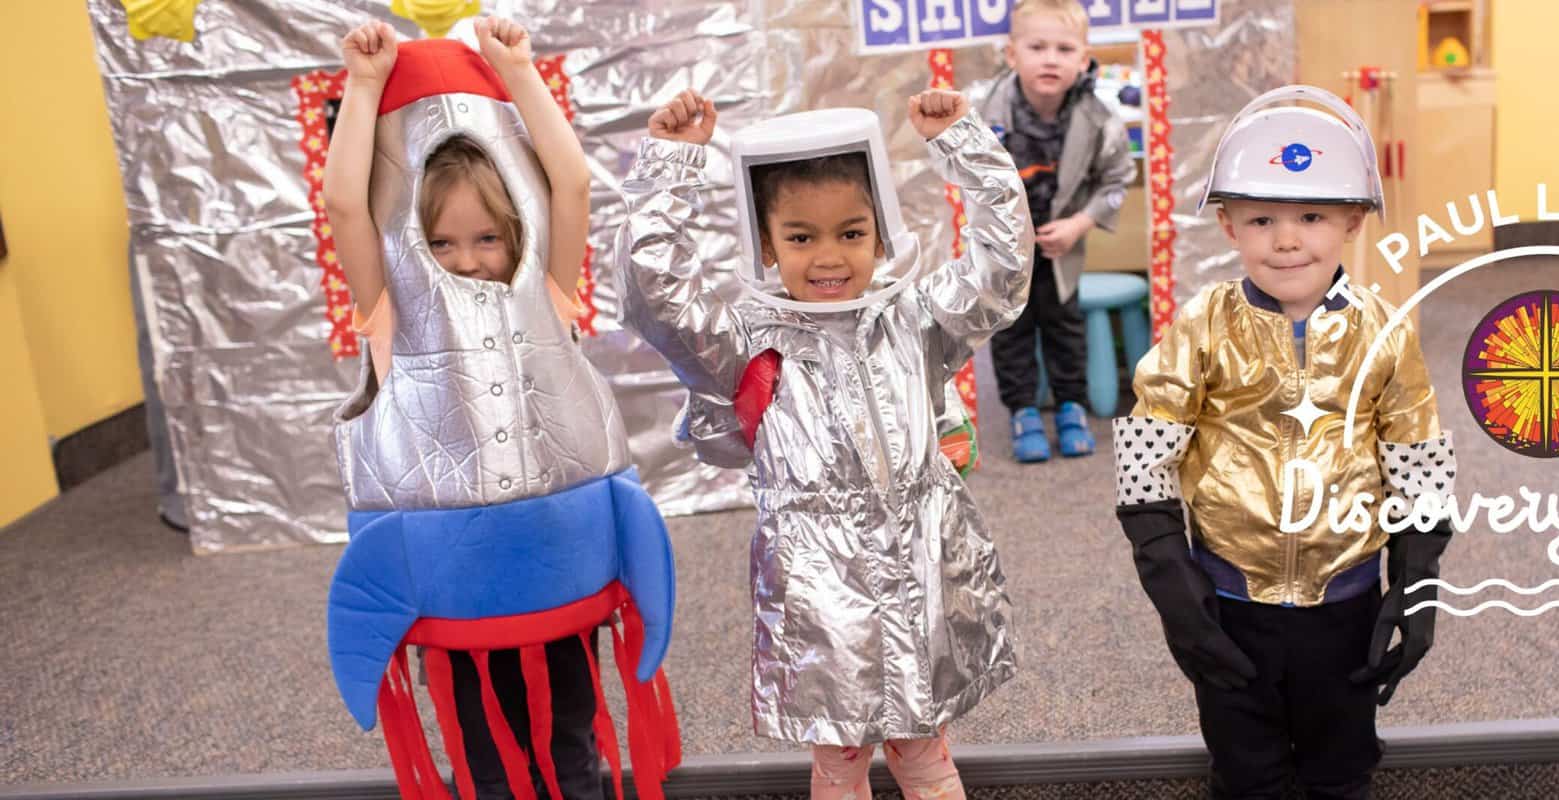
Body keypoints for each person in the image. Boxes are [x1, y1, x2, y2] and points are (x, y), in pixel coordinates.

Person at [616, 86, 1029, 799]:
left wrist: (964, 146)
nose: (829, 256)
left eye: (851, 232)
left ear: (880, 233)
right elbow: (657, 291)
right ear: (768, 245)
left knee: (924, 749)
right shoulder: (746, 344)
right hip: (819, 587)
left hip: (921, 569)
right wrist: (671, 167)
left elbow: (1003, 268)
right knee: (839, 757)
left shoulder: (916, 321)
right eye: (801, 237)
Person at [322, 20, 678, 800]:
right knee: (486, 763)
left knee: (571, 743)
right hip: (457, 590)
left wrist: (517, 72)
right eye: (442, 243)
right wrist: (362, 87)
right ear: (413, 244)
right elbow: (347, 205)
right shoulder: (394, 310)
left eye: (487, 237)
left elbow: (571, 182)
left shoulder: (548, 293)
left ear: (519, 229)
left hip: (556, 573)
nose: (467, 258)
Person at [1111, 86, 1456, 800]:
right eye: (1262, 217)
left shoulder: (1385, 330)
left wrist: (1416, 580)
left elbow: (1418, 457)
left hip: (1348, 599)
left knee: (1343, 764)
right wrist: (1174, 586)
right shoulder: (1205, 323)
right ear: (1229, 224)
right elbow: (1147, 450)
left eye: (1312, 216)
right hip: (1230, 600)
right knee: (1246, 768)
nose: (1287, 238)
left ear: (1354, 220)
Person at [978, 0, 1135, 463]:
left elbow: (1117, 180)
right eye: (1037, 47)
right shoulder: (988, 113)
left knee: (1066, 328)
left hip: (1061, 247)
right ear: (1012, 55)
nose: (1050, 58)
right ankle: (1023, 410)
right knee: (1011, 330)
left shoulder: (1098, 118)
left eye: (1064, 49)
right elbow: (966, 176)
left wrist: (1080, 223)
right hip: (1006, 252)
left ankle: (1071, 407)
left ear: (1083, 60)